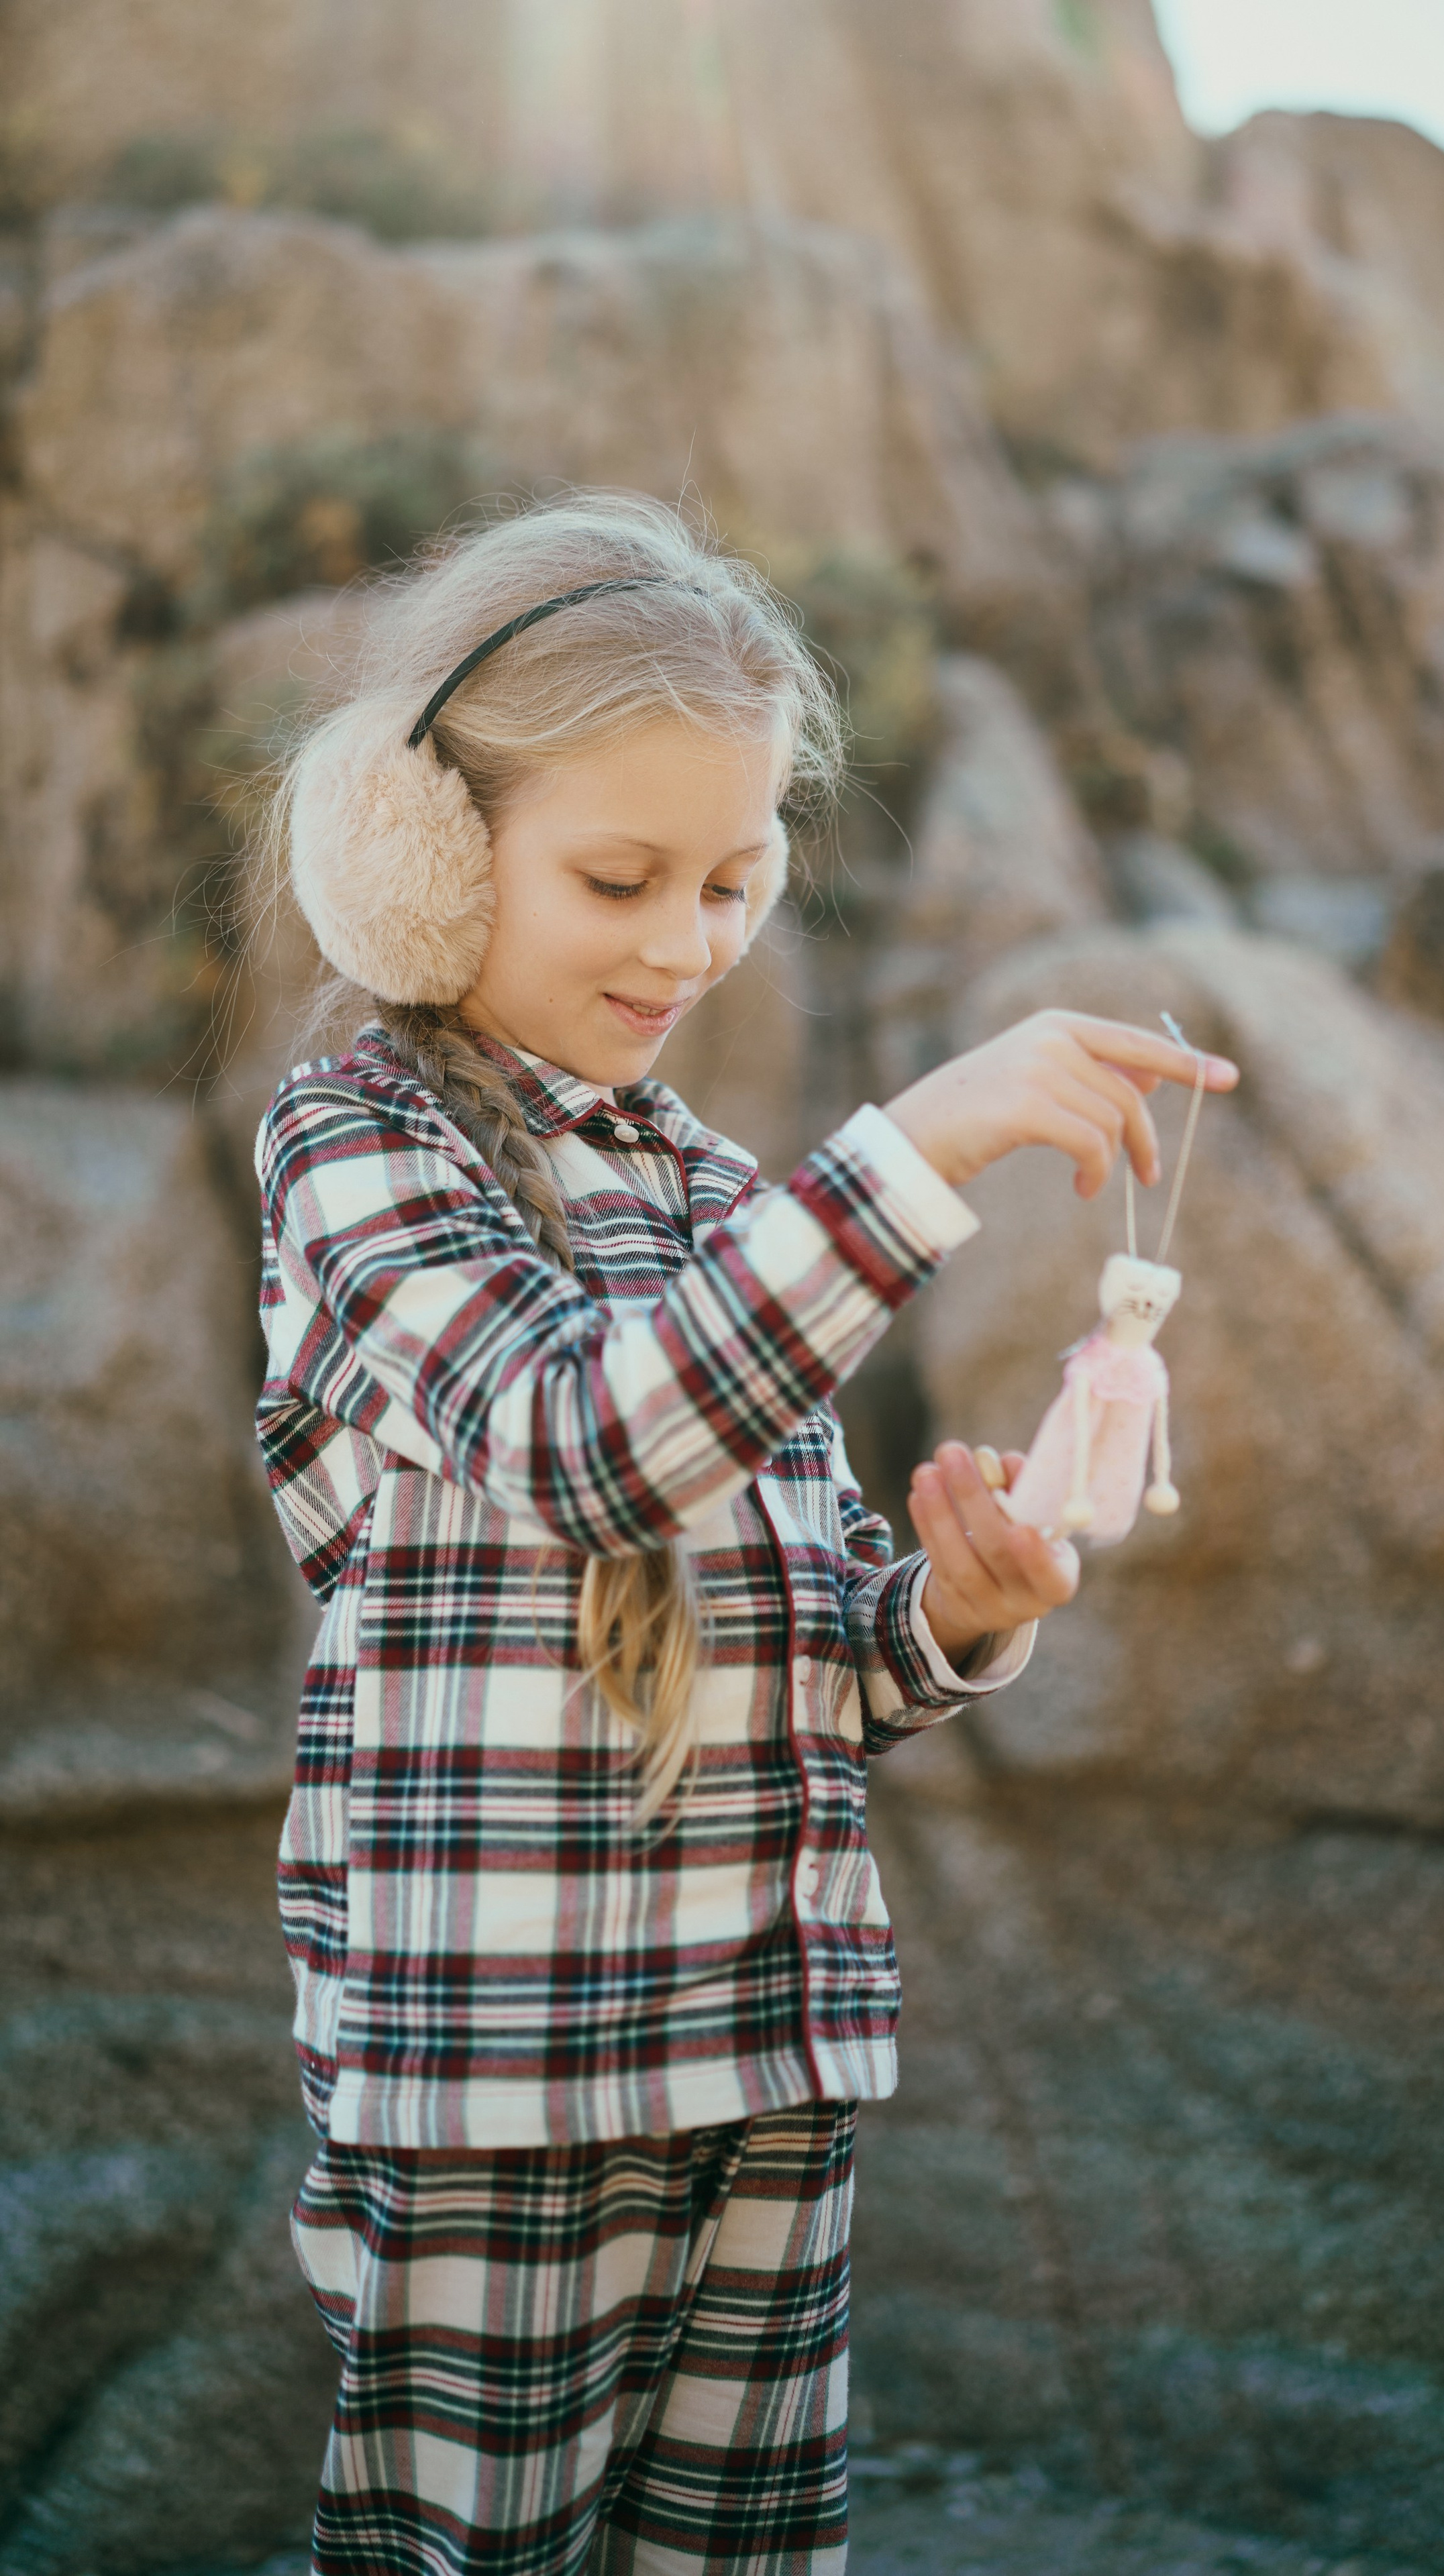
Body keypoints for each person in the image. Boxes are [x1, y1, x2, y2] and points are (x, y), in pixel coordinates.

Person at [253, 492, 1235, 2575]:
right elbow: (579, 1443)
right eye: (619, 877)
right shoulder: (354, 1144)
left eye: (735, 876)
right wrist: (929, 1138)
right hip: (499, 2080)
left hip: (769, 2058)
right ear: (424, 851)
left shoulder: (720, 1191)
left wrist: (948, 1614)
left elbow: (803, 1665)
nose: (688, 943)